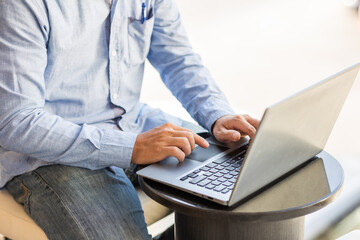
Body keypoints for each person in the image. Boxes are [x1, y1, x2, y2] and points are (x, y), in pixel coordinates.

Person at [0, 0, 259, 239]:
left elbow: (178, 59)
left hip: (134, 123)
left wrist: (218, 115)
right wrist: (132, 148)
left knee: (253, 194)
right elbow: (16, 121)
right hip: (47, 155)